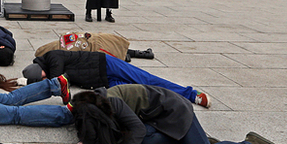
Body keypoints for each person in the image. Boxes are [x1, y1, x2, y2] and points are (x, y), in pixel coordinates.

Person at [66, 85, 284, 144]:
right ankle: (195, 138)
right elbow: (94, 129)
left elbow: (137, 130)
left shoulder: (112, 102)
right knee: (149, 142)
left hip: (174, 111)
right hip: (153, 118)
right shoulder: (91, 106)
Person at [22, 50, 209, 107]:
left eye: (42, 76)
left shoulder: (53, 57)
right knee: (144, 93)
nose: (45, 77)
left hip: (106, 63)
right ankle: (174, 99)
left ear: (40, 68)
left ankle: (191, 94)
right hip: (103, 81)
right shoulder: (49, 69)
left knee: (146, 79)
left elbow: (57, 78)